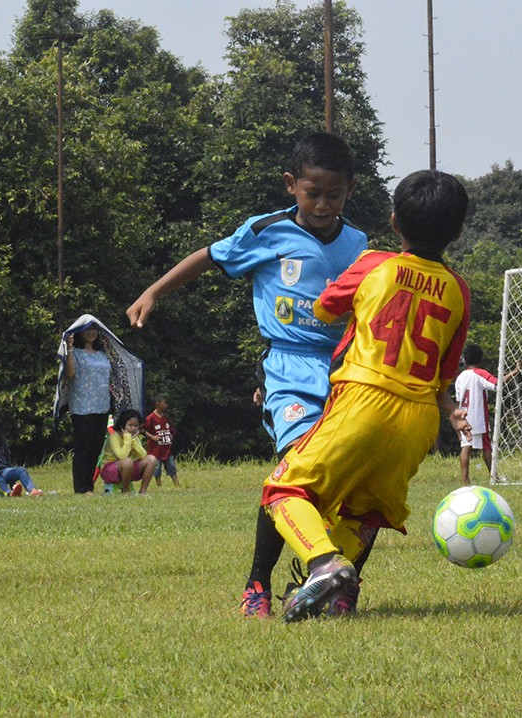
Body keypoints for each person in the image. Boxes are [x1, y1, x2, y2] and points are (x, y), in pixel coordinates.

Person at [126, 133, 372, 618]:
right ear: (290, 185)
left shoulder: (358, 244)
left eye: (334, 194)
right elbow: (209, 257)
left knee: (353, 480)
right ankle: (257, 584)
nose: (322, 204)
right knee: (294, 475)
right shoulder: (266, 231)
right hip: (289, 369)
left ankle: (327, 585)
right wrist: (154, 292)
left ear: (350, 190)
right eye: (312, 192)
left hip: (346, 371)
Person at [263, 168, 472, 622]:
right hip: (419, 419)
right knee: (367, 510)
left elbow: (325, 307)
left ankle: (323, 562)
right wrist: (450, 410)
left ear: (395, 221)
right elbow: (445, 371)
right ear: (456, 232)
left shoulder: (376, 263)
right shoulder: (459, 291)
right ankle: (339, 597)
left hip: (363, 399)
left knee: (284, 490)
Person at [54, 314, 144, 495]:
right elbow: (70, 374)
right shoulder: (77, 354)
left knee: (95, 448)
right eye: (87, 329)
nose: (91, 332)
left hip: (102, 407)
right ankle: (81, 488)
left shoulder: (104, 355)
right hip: (82, 407)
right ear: (80, 333)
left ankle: (89, 487)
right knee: (83, 448)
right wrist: (69, 349)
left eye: (94, 329)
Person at [453, 343, 520, 485]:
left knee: (466, 447)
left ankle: (465, 481)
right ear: (480, 359)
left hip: (463, 416)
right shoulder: (480, 373)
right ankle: (494, 477)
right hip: (477, 417)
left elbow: (459, 400)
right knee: (487, 447)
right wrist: (514, 371)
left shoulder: (460, 377)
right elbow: (497, 384)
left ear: (465, 359)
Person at [0, 407, 43, 497]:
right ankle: (9, 493)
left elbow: (7, 459)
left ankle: (32, 490)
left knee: (21, 470)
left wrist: (12, 483)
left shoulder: (0, 439)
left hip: (3, 470)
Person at [99, 409, 158, 494]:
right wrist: (127, 439)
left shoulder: (133, 438)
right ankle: (126, 491)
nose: (133, 429)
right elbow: (122, 456)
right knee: (127, 461)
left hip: (128, 469)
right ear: (122, 425)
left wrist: (133, 440)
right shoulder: (114, 437)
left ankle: (143, 491)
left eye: (136, 426)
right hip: (109, 471)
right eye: (130, 425)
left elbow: (143, 455)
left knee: (151, 459)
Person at [143, 395, 179, 488]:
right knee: (157, 468)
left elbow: (171, 429)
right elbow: (143, 430)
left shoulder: (166, 417)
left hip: (167, 448)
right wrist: (153, 437)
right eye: (164, 403)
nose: (166, 405)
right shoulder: (150, 418)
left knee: (171, 466)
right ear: (157, 404)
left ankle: (177, 484)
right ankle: (159, 485)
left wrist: (171, 436)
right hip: (155, 449)